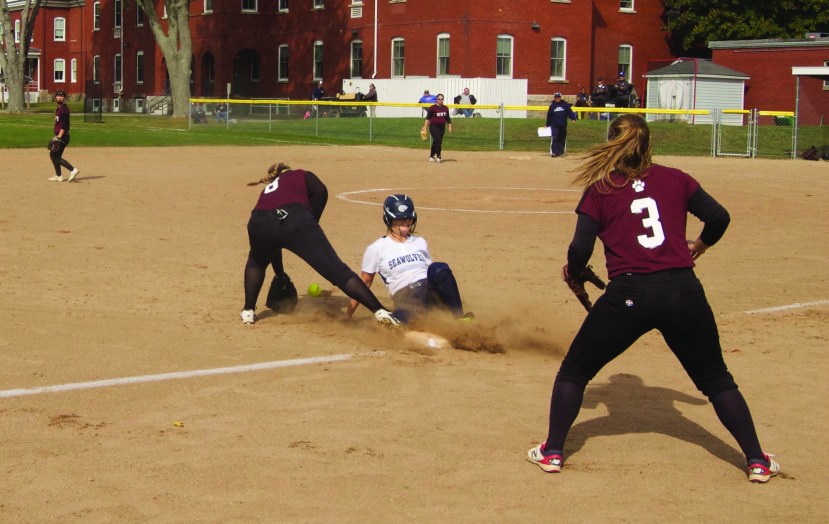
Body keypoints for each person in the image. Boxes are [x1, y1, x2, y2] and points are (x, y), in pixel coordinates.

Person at [527, 114, 780, 484]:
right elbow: (719, 217)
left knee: (575, 372)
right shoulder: (676, 178)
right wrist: (701, 246)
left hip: (629, 294)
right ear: (648, 145)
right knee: (716, 380)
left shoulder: (601, 188)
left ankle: (551, 452)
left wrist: (575, 270)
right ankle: (757, 461)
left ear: (612, 143)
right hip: (683, 291)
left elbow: (580, 248)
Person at [241, 162, 401, 327]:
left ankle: (248, 311)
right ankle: (380, 311)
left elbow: (273, 242)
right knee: (338, 271)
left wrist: (280, 274)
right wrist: (312, 221)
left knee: (256, 263)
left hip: (258, 221)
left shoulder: (268, 192)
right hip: (295, 219)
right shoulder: (301, 174)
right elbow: (320, 190)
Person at [344, 194, 473, 325]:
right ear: (389, 219)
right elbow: (364, 283)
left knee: (439, 268)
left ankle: (460, 320)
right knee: (399, 324)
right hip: (405, 299)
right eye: (399, 219)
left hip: (429, 293)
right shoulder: (376, 248)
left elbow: (433, 274)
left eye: (408, 218)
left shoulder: (420, 242)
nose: (405, 223)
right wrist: (348, 315)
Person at [48, 89, 80, 182]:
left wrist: (59, 136)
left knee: (55, 156)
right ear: (55, 97)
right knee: (54, 155)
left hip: (63, 136)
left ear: (64, 98)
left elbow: (64, 124)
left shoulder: (64, 109)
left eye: (61, 96)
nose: (59, 97)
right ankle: (59, 176)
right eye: (58, 96)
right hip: (60, 135)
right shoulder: (59, 108)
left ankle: (73, 170)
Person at [545, 92, 577, 158]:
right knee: (555, 138)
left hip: (563, 124)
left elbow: (570, 112)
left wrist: (573, 119)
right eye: (556, 97)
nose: (557, 98)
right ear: (554, 98)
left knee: (562, 139)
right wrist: (547, 124)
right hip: (554, 125)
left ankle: (560, 152)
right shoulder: (552, 106)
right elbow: (549, 116)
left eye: (558, 97)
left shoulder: (565, 105)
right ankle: (554, 152)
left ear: (560, 97)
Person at [422, 94, 452, 163]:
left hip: (442, 127)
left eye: (441, 99)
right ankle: (439, 156)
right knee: (438, 140)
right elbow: (428, 118)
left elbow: (448, 118)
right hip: (433, 127)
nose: (440, 100)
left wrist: (449, 126)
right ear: (436, 99)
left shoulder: (445, 108)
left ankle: (431, 156)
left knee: (436, 142)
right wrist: (425, 127)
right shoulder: (432, 108)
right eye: (439, 99)